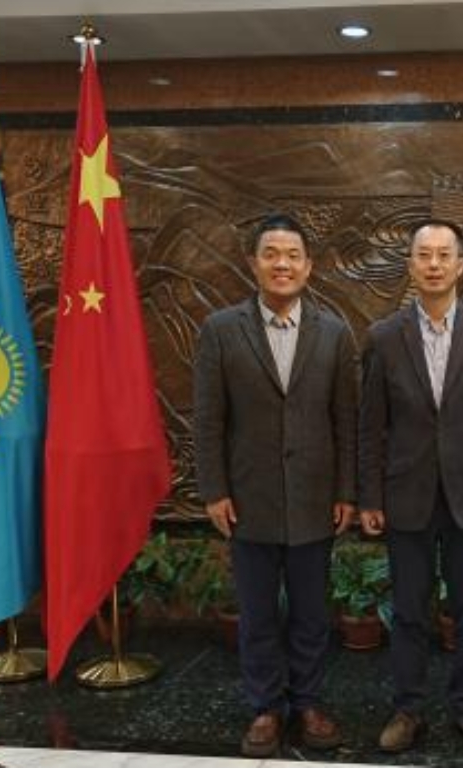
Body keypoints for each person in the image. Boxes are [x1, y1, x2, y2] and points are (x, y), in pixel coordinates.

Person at [193, 213, 358, 758]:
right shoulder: (221, 330)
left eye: (292, 255)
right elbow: (209, 420)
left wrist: (346, 491)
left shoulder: (334, 334)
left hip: (315, 498)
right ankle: (265, 707)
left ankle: (307, 702)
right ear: (253, 263)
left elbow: (345, 421)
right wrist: (214, 489)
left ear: (308, 266)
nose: (281, 264)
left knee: (312, 612)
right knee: (258, 613)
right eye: (271, 254)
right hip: (249, 499)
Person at [358, 219, 463, 754]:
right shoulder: (385, 337)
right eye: (423, 255)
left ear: (460, 266)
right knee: (408, 610)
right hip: (405, 495)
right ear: (410, 265)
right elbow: (371, 426)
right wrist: (370, 496)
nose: (433, 264)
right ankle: (408, 709)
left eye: (443, 255)